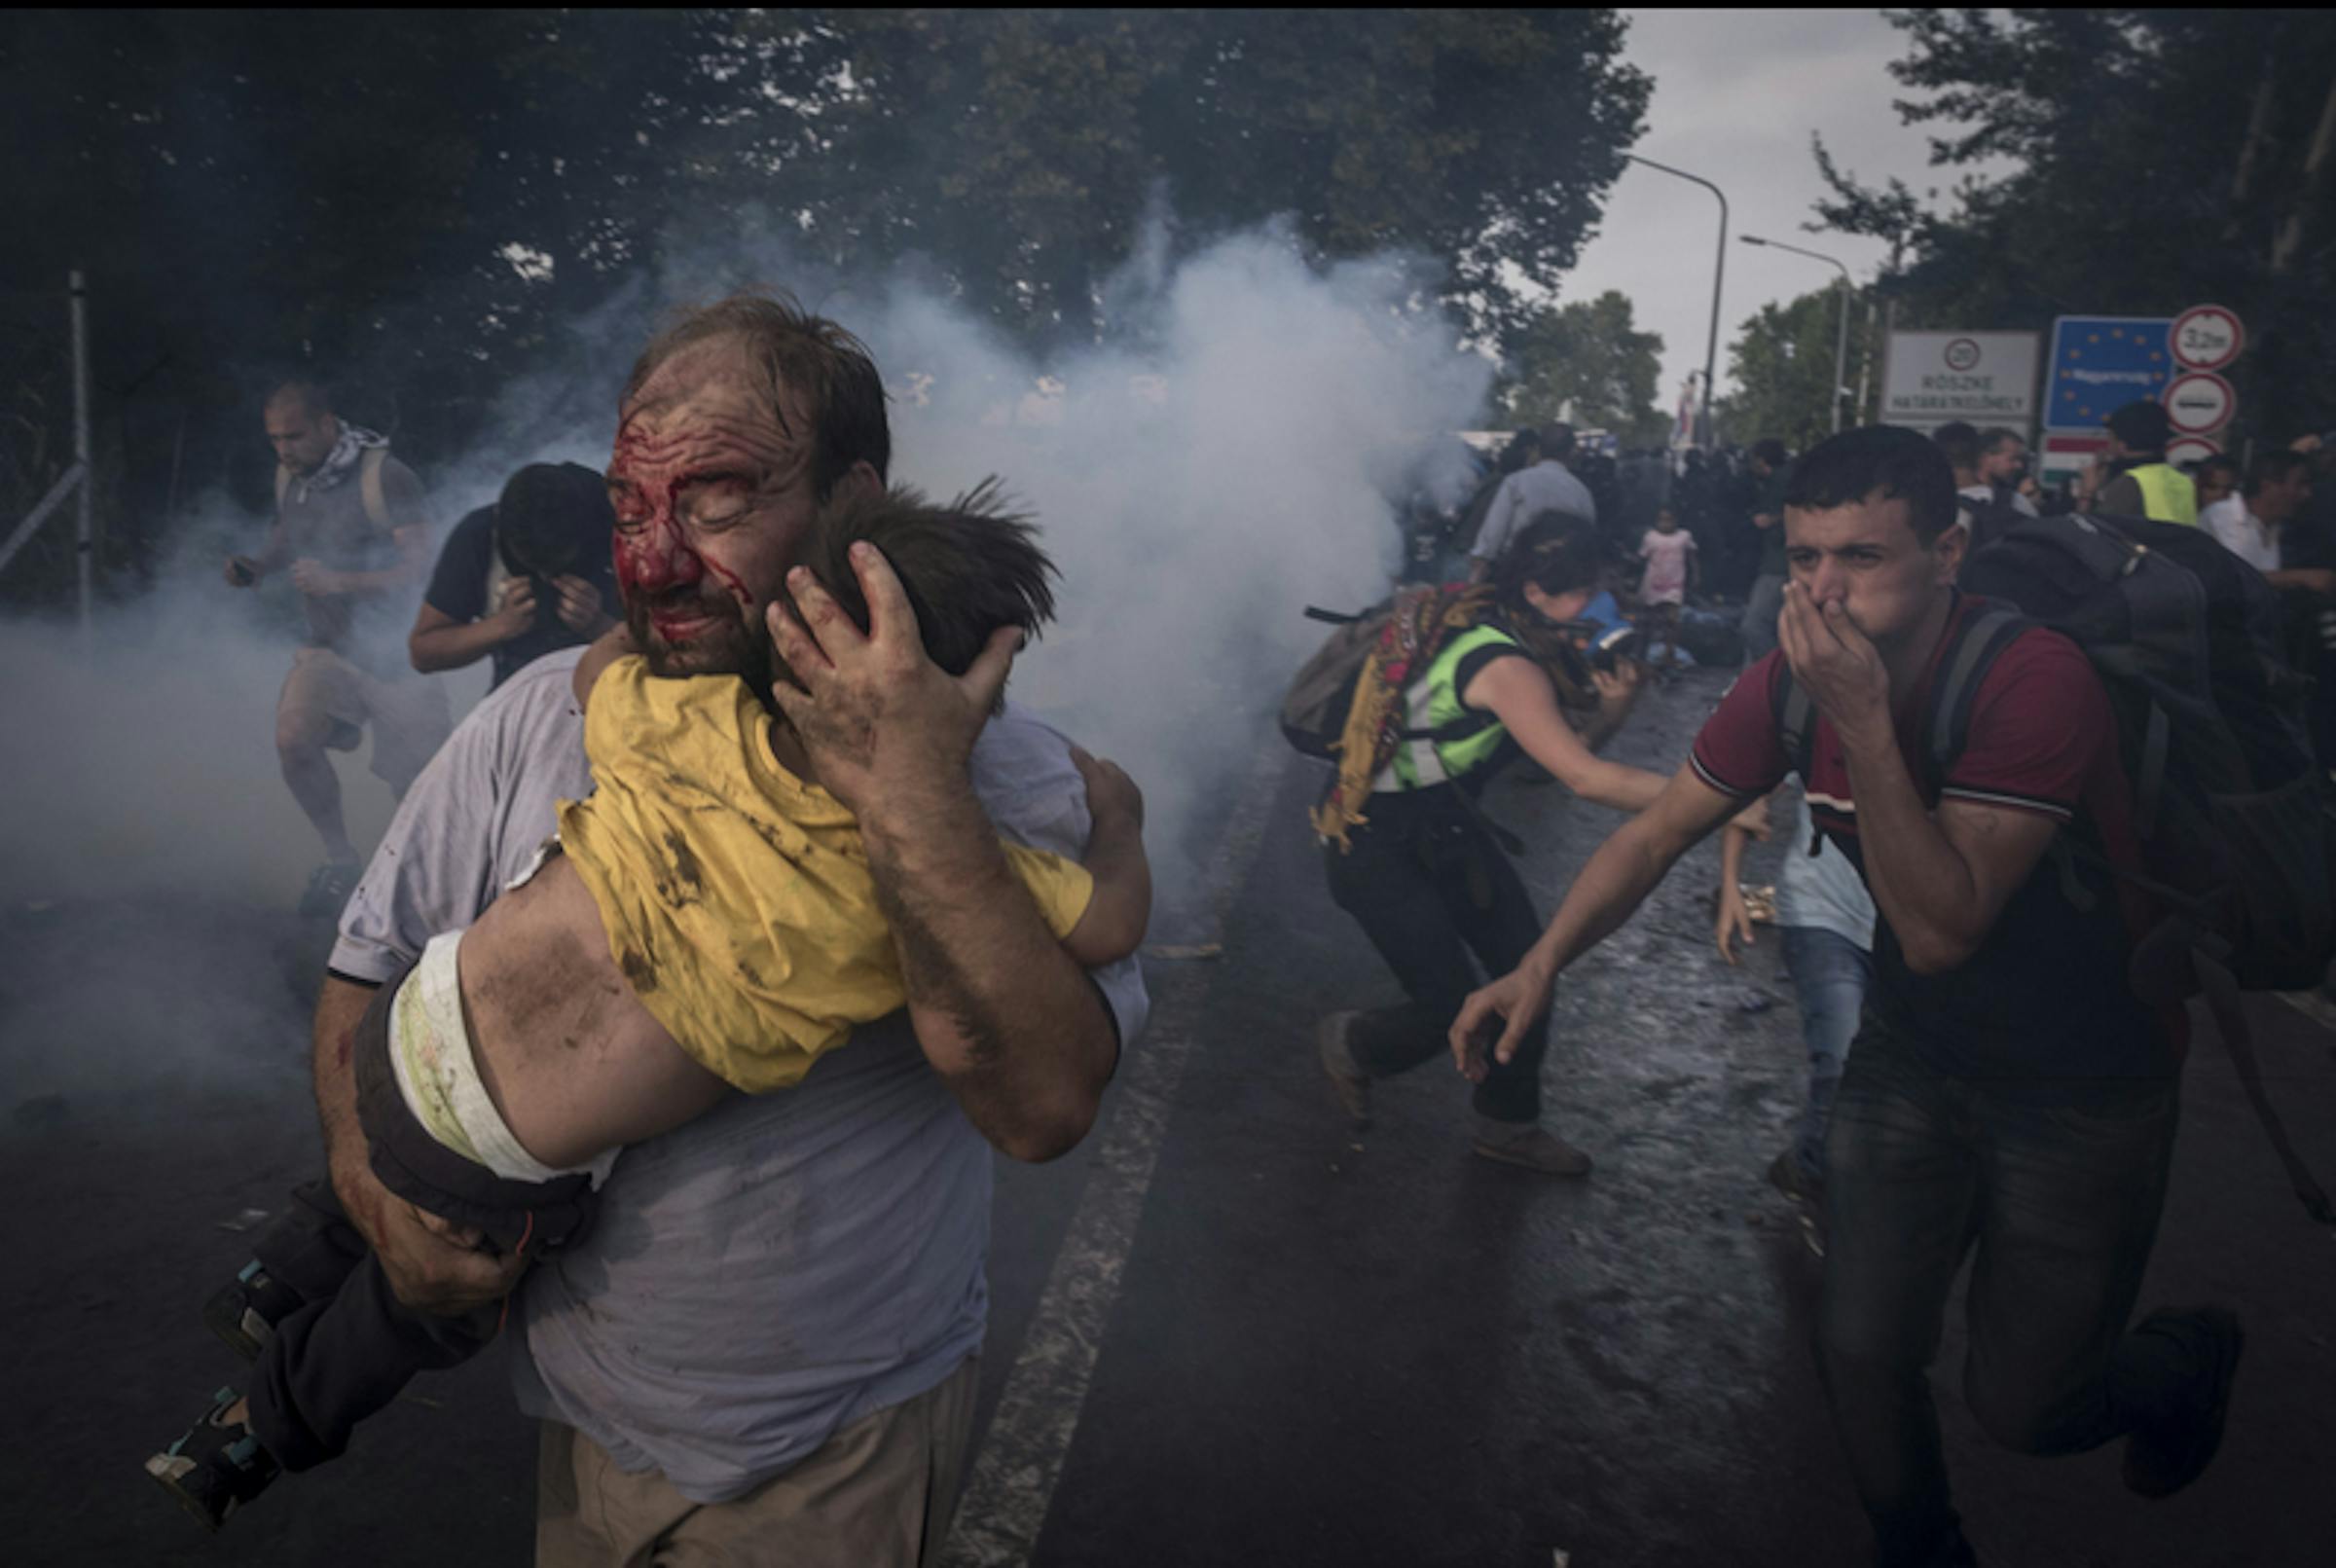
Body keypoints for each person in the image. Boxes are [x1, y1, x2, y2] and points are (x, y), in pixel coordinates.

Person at [237, 294, 1145, 1566]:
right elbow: (367, 958)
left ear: (852, 506)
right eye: (628, 507)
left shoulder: (1006, 778)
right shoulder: (547, 710)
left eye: (716, 498)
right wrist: (360, 1180)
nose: (652, 558)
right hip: (579, 1419)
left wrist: (914, 799)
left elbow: (1045, 1101)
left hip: (820, 1460)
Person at [1453, 425, 2244, 1568]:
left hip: (2082, 1087)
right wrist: (1539, 964)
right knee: (1861, 1347)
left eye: (1863, 558)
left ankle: (2184, 1361)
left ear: (1949, 553)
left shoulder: (2030, 680)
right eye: (1808, 556)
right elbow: (1663, 830)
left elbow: (1937, 928)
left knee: (2025, 1410)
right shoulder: (1787, 684)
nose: (1824, 591)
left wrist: (1865, 718)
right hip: (1913, 1059)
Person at [1315, 513, 1764, 1175]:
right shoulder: (1503, 662)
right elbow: (1584, 778)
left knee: (1529, 966)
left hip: (1444, 823)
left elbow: (1548, 764)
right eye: (1586, 592)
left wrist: (1614, 710)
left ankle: (1508, 1125)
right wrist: (1722, 793)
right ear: (1535, 593)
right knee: (1444, 1001)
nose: (1601, 608)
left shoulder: (1503, 631)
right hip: (1373, 839)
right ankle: (1353, 1043)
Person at [225, 380, 453, 914]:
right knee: (292, 739)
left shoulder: (387, 478)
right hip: (328, 650)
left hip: (401, 658)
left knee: (419, 788)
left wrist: (341, 582)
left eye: (295, 437)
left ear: (328, 424)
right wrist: (258, 566)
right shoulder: (292, 477)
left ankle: (420, 890)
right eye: (275, 440)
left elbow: (422, 568)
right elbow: (288, 532)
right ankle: (341, 861)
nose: (284, 450)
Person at [1715, 789, 1875, 1255]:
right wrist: (1729, 882)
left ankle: (1807, 1165)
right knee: (1843, 1060)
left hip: (1915, 923)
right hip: (1820, 914)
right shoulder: (1825, 714)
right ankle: (1820, 1189)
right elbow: (1749, 784)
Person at [410, 461, 623, 691]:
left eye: (558, 565)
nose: (546, 578)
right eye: (533, 566)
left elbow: (665, 652)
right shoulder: (481, 536)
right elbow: (424, 652)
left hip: (615, 695)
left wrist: (599, 625)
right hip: (518, 698)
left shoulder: (630, 536)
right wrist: (501, 625)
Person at [1467, 421, 1598, 580]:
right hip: (1560, 581)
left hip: (1515, 574)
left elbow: (1492, 534)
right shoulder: (1581, 492)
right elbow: (1586, 542)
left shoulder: (1516, 482)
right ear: (1571, 452)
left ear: (1538, 449)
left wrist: (1477, 572)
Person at [2200, 449, 2323, 587]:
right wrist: (2300, 577)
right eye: (2300, 484)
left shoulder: (2275, 528)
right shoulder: (2223, 516)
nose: (2307, 494)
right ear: (2268, 487)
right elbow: (2235, 580)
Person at [2081, 399, 2198, 524]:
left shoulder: (2130, 482)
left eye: (2110, 437)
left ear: (2122, 445)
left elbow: (2091, 532)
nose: (2108, 446)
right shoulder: (2183, 481)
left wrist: (2087, 492)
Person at [1739, 437, 1793, 663]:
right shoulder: (1786, 477)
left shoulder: (1781, 482)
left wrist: (1771, 520)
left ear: (1761, 460)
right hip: (1778, 560)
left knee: (1754, 625)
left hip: (1777, 563)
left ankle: (1775, 674)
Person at [1636, 503, 1697, 667]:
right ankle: (1642, 653)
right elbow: (1643, 559)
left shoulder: (1684, 537)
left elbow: (1691, 558)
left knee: (1672, 621)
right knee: (1649, 620)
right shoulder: (1650, 537)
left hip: (1674, 584)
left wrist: (1696, 575)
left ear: (1676, 521)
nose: (1665, 524)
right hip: (1653, 584)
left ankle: (1669, 653)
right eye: (1662, 520)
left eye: (1669, 520)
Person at [1974, 427, 2039, 518]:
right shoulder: (2014, 501)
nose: (2019, 465)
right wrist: (2019, 502)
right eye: (2012, 459)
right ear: (1987, 458)